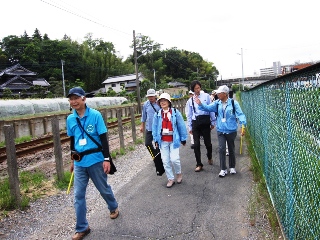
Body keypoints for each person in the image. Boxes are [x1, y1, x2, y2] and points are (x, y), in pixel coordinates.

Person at [66, 87, 119, 240]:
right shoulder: (70, 119)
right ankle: (82, 227)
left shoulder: (95, 115)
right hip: (79, 162)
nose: (74, 101)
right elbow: (72, 140)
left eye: (76, 98)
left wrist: (106, 159)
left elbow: (103, 138)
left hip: (96, 159)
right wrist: (72, 159)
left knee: (103, 189)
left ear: (84, 99)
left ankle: (113, 206)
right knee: (78, 195)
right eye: (71, 99)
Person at [195, 85, 246, 177]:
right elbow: (208, 108)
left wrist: (243, 125)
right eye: (217, 93)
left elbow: (240, 114)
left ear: (225, 94)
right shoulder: (217, 103)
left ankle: (232, 167)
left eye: (219, 93)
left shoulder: (234, 103)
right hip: (221, 130)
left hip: (231, 130)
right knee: (222, 149)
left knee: (231, 149)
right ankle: (223, 169)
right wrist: (200, 104)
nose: (217, 94)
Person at [152, 93, 187, 188]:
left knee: (175, 159)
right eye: (161, 101)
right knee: (165, 161)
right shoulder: (157, 114)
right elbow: (154, 128)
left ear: (169, 102)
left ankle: (178, 173)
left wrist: (183, 138)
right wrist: (155, 139)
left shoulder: (175, 112)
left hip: (174, 140)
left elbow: (181, 125)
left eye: (164, 100)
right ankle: (170, 178)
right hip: (163, 141)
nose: (163, 102)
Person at [186, 80, 216, 172]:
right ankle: (199, 164)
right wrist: (190, 127)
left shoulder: (206, 96)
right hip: (196, 122)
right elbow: (189, 114)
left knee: (208, 143)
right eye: (195, 88)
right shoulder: (190, 100)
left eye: (198, 88)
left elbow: (210, 108)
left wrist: (213, 121)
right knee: (196, 144)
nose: (197, 90)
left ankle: (209, 156)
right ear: (193, 90)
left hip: (205, 121)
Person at [140, 89, 161, 159]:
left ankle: (159, 158)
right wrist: (142, 126)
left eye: (152, 96)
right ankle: (154, 156)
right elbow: (144, 116)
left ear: (155, 96)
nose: (151, 98)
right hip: (149, 127)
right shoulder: (146, 104)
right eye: (149, 97)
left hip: (158, 127)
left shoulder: (159, 103)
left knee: (158, 143)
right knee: (147, 143)